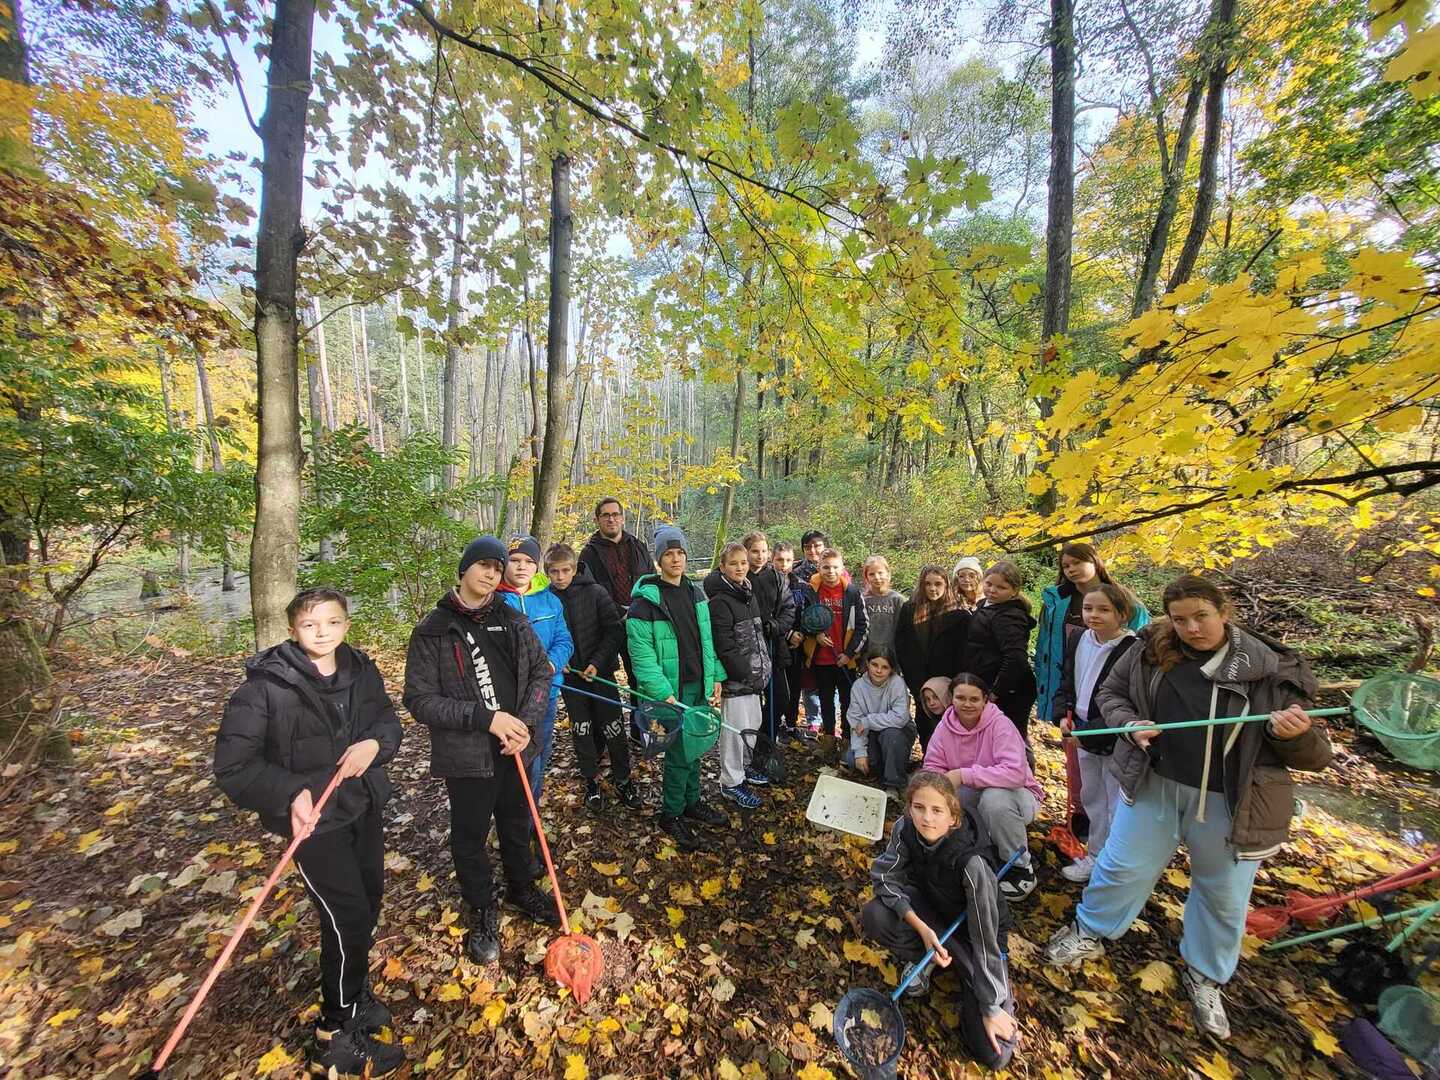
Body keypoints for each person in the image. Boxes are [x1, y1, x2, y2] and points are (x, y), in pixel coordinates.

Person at [1045, 575, 1333, 1040]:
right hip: (1156, 782)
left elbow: (1317, 757)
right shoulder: (1150, 651)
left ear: (1224, 612)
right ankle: (1091, 927)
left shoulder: (1269, 669)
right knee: (1122, 866)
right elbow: (1110, 697)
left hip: (1232, 801)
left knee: (1222, 893)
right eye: (1180, 619)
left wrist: (1293, 735)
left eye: (1201, 616)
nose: (1192, 628)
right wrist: (1129, 725)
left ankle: (1205, 973)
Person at [215, 588, 405, 1077]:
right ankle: (334, 1034)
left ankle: (355, 994)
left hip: (361, 804)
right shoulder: (264, 688)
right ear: (292, 629)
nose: (323, 633)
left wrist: (373, 746)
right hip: (314, 823)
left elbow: (386, 721)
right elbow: (235, 767)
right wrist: (289, 793)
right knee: (346, 917)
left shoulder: (360, 669)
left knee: (367, 902)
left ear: (346, 624)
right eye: (311, 625)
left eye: (333, 622)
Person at [403, 536, 559, 968]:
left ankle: (521, 885)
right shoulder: (434, 628)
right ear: (464, 569)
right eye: (483, 566)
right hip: (468, 754)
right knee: (470, 835)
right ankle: (482, 907)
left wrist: (525, 725)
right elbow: (418, 699)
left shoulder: (511, 620)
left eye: (497, 567)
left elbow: (541, 674)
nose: (491, 574)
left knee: (516, 821)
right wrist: (484, 718)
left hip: (516, 749)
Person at [862, 771, 1020, 1071]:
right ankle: (930, 955)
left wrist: (989, 1004)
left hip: (973, 937)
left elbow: (987, 937)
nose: (927, 819)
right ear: (909, 808)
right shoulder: (905, 828)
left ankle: (964, 976)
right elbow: (884, 877)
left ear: (953, 818)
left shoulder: (972, 865)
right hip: (930, 912)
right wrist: (922, 929)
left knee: (995, 1055)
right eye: (919, 807)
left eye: (937, 810)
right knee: (875, 914)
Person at [626, 524, 726, 851]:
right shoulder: (644, 604)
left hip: (698, 682)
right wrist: (662, 691)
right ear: (658, 560)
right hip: (671, 689)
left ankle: (692, 801)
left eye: (680, 553)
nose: (675, 559)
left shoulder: (697, 593)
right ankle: (671, 813)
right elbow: (641, 656)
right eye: (668, 554)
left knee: (695, 745)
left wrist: (715, 678)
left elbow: (707, 640)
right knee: (681, 753)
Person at [923, 672, 1042, 901]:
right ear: (952, 699)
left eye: (974, 699)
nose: (967, 704)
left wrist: (963, 774)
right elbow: (933, 766)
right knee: (945, 795)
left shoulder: (1000, 725)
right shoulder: (945, 727)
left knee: (994, 799)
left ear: (985, 700)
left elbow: (1015, 773)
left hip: (1018, 796)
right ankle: (976, 853)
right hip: (974, 793)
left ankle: (1020, 868)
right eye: (960, 698)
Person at [1050, 582, 1141, 882]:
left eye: (1104, 609)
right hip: (1080, 728)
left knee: (1116, 800)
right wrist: (1063, 712)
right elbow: (1068, 678)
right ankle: (1095, 855)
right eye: (1088, 608)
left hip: (1113, 735)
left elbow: (1127, 701)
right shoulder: (1079, 638)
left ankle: (1114, 863)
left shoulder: (1132, 649)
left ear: (1122, 613)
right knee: (1092, 797)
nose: (1094, 615)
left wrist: (1089, 732)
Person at [545, 543, 642, 814]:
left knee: (613, 728)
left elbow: (614, 631)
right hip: (571, 680)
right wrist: (557, 660)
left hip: (601, 675)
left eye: (565, 571)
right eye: (554, 572)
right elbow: (544, 638)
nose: (560, 577)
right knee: (582, 730)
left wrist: (597, 663)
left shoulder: (596, 592)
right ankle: (591, 780)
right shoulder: (547, 600)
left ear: (575, 569)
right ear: (547, 572)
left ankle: (623, 779)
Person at [1034, 542, 1150, 729]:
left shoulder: (1128, 603)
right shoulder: (1056, 602)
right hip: (1068, 681)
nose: (1071, 569)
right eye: (1066, 566)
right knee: (1069, 737)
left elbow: (1139, 650)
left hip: (1109, 683)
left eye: (1077, 562)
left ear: (1095, 562)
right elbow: (1044, 645)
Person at [497, 535, 573, 804]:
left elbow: (564, 640)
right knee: (515, 760)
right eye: (515, 560)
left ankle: (531, 817)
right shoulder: (494, 601)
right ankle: (514, 818)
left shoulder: (549, 600)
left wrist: (550, 665)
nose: (521, 567)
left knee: (539, 753)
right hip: (509, 698)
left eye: (529, 561)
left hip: (546, 693)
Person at [578, 498, 656, 739]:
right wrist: (617, 612)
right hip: (605, 626)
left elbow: (650, 580)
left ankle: (639, 729)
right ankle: (606, 734)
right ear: (597, 519)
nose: (611, 519)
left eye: (615, 514)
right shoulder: (589, 553)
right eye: (605, 515)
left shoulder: (638, 546)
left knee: (639, 677)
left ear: (622, 517)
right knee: (602, 677)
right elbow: (588, 589)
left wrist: (640, 611)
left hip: (638, 623)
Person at [704, 542, 774, 809]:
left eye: (743, 563)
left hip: (756, 679)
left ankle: (745, 769)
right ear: (723, 567)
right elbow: (724, 645)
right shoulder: (720, 602)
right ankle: (731, 782)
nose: (740, 567)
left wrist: (762, 669)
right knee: (734, 731)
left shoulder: (748, 593)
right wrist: (743, 672)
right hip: (738, 681)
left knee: (751, 725)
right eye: (734, 563)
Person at [895, 564, 969, 749]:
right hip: (919, 678)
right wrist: (912, 678)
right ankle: (929, 761)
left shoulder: (958, 613)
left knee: (948, 724)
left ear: (946, 584)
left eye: (938, 583)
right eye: (928, 584)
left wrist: (954, 682)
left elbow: (963, 651)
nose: (932, 588)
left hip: (946, 680)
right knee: (924, 721)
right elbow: (901, 645)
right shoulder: (909, 609)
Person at [802, 547, 868, 747]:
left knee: (848, 701)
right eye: (826, 567)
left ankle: (847, 740)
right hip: (822, 658)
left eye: (835, 567)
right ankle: (829, 739)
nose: (830, 571)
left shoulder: (852, 592)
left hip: (844, 659)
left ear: (842, 568)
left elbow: (862, 626)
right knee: (826, 699)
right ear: (819, 568)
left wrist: (849, 654)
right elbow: (803, 619)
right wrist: (816, 634)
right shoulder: (811, 591)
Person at [965, 560, 1038, 742]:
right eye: (988, 584)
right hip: (986, 681)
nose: (992, 590)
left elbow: (1016, 658)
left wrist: (996, 690)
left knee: (1010, 739)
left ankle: (1022, 770)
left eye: (1001, 587)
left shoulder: (1009, 616)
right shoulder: (986, 605)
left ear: (1014, 591)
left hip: (1009, 691)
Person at [743, 531, 794, 767]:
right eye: (755, 551)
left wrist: (777, 626)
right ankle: (750, 748)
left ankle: (765, 742)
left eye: (764, 551)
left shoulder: (777, 577)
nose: (760, 556)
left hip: (774, 646)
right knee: (752, 703)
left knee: (780, 698)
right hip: (748, 650)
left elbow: (788, 608)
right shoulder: (740, 576)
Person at [848, 647, 914, 796]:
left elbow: (900, 718)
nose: (878, 671)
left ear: (891, 670)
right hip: (871, 732)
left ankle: (893, 783)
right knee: (852, 759)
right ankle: (884, 765)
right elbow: (856, 722)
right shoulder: (858, 686)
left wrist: (868, 721)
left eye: (885, 667)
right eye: (874, 665)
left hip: (898, 731)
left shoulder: (896, 683)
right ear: (867, 663)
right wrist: (860, 752)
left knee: (890, 736)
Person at [774, 541, 817, 741]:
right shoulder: (766, 585)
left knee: (795, 687)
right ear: (771, 560)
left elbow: (812, 614)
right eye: (780, 560)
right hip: (775, 644)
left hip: (798, 646)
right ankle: (773, 724)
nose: (784, 565)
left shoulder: (802, 586)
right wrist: (787, 633)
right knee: (777, 688)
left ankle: (791, 725)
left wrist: (802, 634)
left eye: (788, 560)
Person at [795, 530, 829, 727]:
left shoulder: (836, 570)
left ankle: (830, 720)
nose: (813, 550)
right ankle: (813, 720)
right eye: (808, 547)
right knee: (808, 678)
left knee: (829, 677)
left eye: (817, 545)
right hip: (805, 633)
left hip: (831, 634)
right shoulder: (797, 572)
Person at [860, 554, 906, 661]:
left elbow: (903, 631)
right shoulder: (862, 600)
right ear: (866, 577)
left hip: (892, 656)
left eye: (880, 573)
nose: (877, 577)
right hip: (868, 656)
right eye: (872, 574)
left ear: (888, 574)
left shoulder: (898, 600)